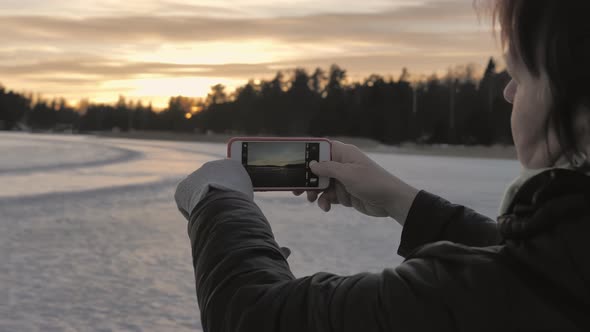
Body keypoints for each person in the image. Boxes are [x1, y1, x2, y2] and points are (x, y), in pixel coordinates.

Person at [174, 0, 590, 330]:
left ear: (579, 112)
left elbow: (254, 316)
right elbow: (539, 273)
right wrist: (401, 200)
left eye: (522, 74)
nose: (509, 93)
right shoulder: (560, 273)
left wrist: (218, 202)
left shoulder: (499, 295)